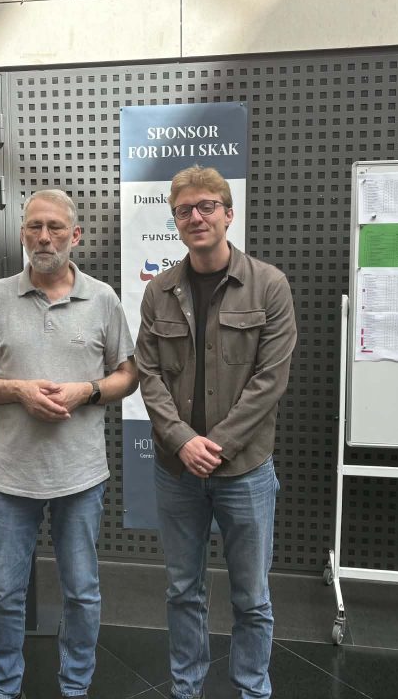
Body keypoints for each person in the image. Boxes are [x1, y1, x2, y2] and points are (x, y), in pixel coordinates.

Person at [0, 188, 138, 699]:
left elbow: (128, 375)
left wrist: (87, 391)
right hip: (12, 478)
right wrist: (17, 390)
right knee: (3, 594)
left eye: (55, 227)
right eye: (34, 226)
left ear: (75, 235)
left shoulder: (102, 299)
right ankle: (4, 690)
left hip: (81, 476)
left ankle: (75, 688)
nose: (44, 237)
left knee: (82, 593)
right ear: (22, 235)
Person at [136, 165, 297, 699]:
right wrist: (182, 440)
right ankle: (187, 690)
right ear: (175, 220)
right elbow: (148, 375)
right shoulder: (159, 291)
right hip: (177, 471)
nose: (196, 217)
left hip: (245, 471)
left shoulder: (269, 286)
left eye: (207, 206)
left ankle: (252, 690)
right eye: (184, 210)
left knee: (252, 597)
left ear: (229, 213)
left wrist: (217, 445)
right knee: (183, 591)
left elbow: (270, 380)